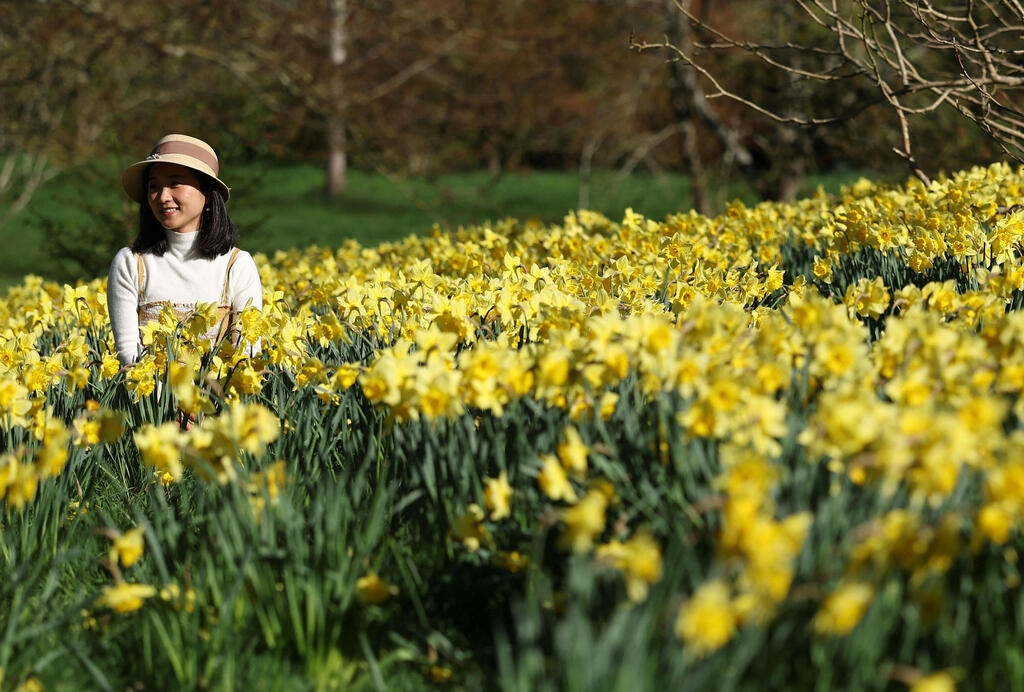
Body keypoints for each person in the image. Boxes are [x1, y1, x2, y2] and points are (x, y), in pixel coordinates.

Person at [107, 134, 263, 367]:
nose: (163, 197)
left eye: (175, 183)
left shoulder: (237, 265)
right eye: (154, 186)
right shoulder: (131, 263)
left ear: (207, 194)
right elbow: (128, 354)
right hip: (150, 391)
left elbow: (247, 353)